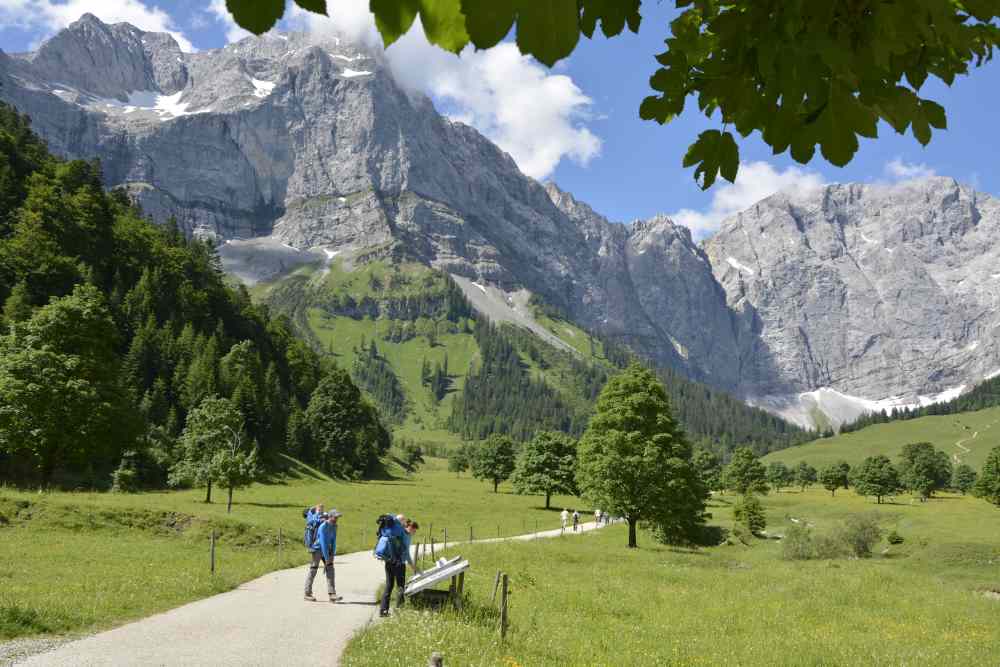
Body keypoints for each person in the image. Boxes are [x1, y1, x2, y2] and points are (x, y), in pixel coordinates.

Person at [379, 516, 420, 617]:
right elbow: (406, 554)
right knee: (400, 586)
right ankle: (399, 609)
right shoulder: (406, 536)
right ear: (410, 528)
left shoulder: (397, 532)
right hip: (399, 564)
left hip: (389, 561)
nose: (414, 534)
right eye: (414, 531)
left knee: (389, 585)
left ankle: (383, 610)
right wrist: (413, 566)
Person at [304, 510, 342, 603]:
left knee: (330, 569)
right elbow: (323, 543)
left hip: (327, 550)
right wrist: (327, 557)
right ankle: (307, 593)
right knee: (313, 570)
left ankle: (332, 594)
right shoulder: (323, 527)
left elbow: (333, 541)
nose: (337, 519)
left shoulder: (334, 526)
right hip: (317, 549)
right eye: (335, 517)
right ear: (330, 516)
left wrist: (332, 555)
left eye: (338, 517)